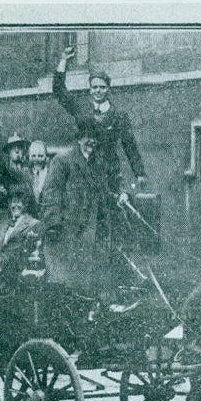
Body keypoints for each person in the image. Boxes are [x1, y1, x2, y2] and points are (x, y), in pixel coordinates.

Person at [42, 118, 127, 302]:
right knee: (71, 285)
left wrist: (118, 196)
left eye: (96, 137)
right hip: (70, 233)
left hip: (95, 232)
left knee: (95, 281)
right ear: (79, 138)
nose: (92, 141)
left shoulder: (99, 163)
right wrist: (54, 225)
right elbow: (51, 195)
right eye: (88, 137)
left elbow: (105, 190)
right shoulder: (62, 161)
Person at [54, 46, 147, 197]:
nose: (98, 90)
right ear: (90, 89)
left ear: (108, 89)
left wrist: (139, 173)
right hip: (83, 168)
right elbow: (59, 90)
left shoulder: (118, 115)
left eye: (102, 87)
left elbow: (130, 145)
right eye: (95, 87)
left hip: (108, 172)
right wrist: (63, 60)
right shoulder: (81, 108)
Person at [0, 190, 41, 285]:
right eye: (13, 202)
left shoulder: (33, 224)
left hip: (11, 275)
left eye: (19, 202)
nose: (15, 206)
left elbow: (31, 253)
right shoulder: (4, 223)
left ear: (26, 205)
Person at [28, 140, 50, 207]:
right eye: (33, 156)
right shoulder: (25, 175)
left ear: (46, 158)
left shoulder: (51, 175)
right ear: (29, 157)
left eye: (40, 156)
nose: (37, 159)